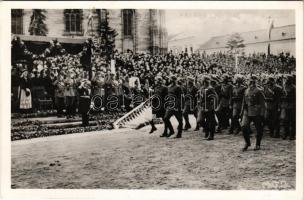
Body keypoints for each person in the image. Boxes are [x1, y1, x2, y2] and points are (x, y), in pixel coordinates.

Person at [241, 75, 265, 151]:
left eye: (253, 81)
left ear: (255, 82)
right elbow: (244, 102)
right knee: (244, 126)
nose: (251, 82)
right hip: (247, 111)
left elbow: (263, 103)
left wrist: (262, 114)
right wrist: (242, 112)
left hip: (256, 112)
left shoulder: (259, 90)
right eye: (250, 81)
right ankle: (247, 143)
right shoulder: (246, 90)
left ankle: (258, 144)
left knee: (258, 129)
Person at [197, 75, 218, 140]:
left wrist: (213, 106)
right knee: (200, 120)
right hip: (202, 106)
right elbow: (200, 97)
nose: (201, 80)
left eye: (202, 79)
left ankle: (211, 135)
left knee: (211, 121)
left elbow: (216, 97)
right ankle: (207, 130)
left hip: (209, 107)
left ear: (205, 80)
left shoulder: (210, 88)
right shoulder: (202, 88)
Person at [280, 75, 296, 140]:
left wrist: (287, 98)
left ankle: (292, 135)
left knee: (292, 121)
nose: (285, 80)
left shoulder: (293, 87)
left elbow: (295, 98)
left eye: (286, 79)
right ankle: (286, 134)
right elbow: (281, 95)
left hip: (291, 106)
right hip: (285, 106)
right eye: (285, 79)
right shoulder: (284, 87)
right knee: (285, 121)